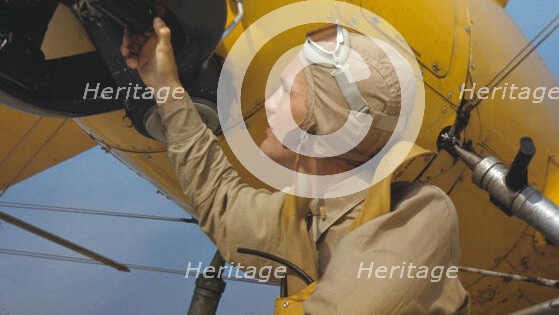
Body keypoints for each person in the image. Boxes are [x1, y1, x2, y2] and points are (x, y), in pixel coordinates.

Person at [121, 17, 470, 314]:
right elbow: (221, 202)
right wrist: (164, 85)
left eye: (287, 93)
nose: (269, 105)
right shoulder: (305, 220)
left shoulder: (421, 214)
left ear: (328, 122)